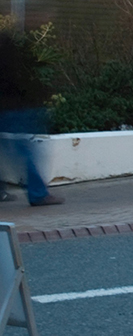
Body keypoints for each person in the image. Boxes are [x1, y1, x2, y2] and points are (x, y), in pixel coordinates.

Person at [0, 26, 64, 206]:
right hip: (12, 107)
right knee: (24, 150)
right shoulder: (6, 42)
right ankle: (38, 193)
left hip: (9, 106)